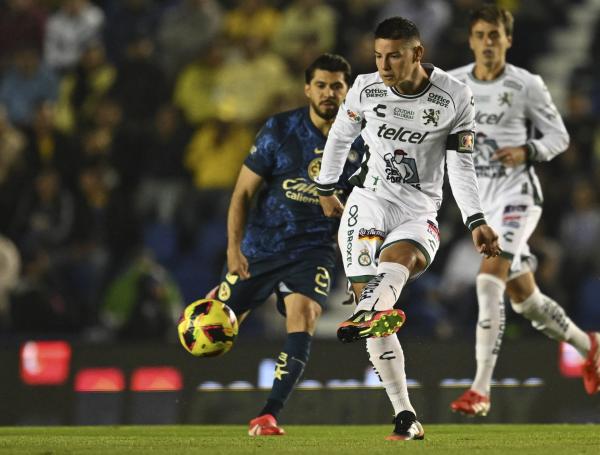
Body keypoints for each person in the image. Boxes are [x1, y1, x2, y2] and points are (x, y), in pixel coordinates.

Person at [316, 17, 501, 441]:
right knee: (381, 308)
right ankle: (405, 415)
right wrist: (326, 187)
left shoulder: (454, 97)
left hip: (419, 211)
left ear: (417, 53)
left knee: (396, 266)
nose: (384, 64)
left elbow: (461, 164)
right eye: (379, 55)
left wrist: (476, 219)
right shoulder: (364, 88)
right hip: (368, 203)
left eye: (394, 55)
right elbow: (340, 136)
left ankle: (366, 312)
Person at [447, 5, 600, 417]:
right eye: (480, 35)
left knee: (488, 279)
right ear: (471, 39)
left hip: (519, 196)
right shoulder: (454, 84)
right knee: (524, 301)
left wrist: (528, 149)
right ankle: (590, 346)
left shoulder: (526, 84)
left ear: (508, 40)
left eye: (495, 35)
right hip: (482, 204)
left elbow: (559, 137)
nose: (488, 43)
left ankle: (480, 389)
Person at [206, 54, 364, 436]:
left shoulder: (362, 141)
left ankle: (269, 413)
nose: (329, 93)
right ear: (307, 88)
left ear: (349, 90)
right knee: (211, 335)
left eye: (337, 86)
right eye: (322, 85)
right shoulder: (280, 130)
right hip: (262, 246)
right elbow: (242, 192)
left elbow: (366, 212)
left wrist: (360, 270)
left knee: (305, 314)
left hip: (313, 251)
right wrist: (233, 249)